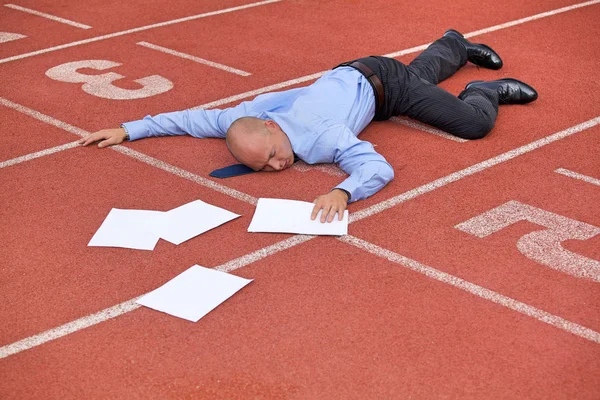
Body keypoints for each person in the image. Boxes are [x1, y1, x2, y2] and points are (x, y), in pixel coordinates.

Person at [79, 29, 538, 223]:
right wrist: (129, 128)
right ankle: (454, 43)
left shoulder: (319, 138)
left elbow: (376, 167)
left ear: (274, 132)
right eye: (265, 167)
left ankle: (486, 93)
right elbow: (189, 119)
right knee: (424, 78)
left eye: (274, 157)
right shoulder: (243, 119)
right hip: (358, 75)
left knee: (472, 126)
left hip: (384, 85)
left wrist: (343, 192)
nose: (278, 167)